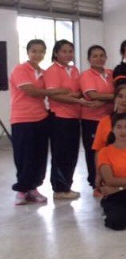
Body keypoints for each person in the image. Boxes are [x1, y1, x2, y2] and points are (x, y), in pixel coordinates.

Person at [10, 39, 69, 205]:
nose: (37, 54)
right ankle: (22, 190)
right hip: (22, 119)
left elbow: (47, 92)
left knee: (39, 156)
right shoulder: (20, 69)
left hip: (42, 118)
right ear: (28, 52)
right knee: (24, 155)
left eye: (41, 51)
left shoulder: (44, 72)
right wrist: (56, 91)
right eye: (34, 51)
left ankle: (33, 188)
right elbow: (31, 91)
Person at [45, 39, 93, 200]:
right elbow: (55, 96)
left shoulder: (74, 70)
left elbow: (79, 91)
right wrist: (76, 99)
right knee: (61, 154)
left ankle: (67, 186)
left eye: (70, 51)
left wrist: (71, 95)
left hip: (74, 116)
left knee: (72, 153)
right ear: (56, 53)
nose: (68, 54)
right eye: (64, 51)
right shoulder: (52, 70)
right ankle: (59, 189)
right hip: (60, 117)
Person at [80, 45, 115, 192]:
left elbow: (122, 91)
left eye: (102, 55)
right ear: (88, 59)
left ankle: (109, 180)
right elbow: (92, 95)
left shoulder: (111, 73)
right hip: (92, 120)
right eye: (95, 56)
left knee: (109, 151)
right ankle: (95, 182)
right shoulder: (86, 75)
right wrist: (113, 97)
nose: (99, 58)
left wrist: (104, 101)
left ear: (106, 57)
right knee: (94, 151)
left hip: (110, 118)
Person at [92, 84, 126, 158]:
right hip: (110, 161)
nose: (123, 100)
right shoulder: (104, 121)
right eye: (120, 96)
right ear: (115, 99)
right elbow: (98, 149)